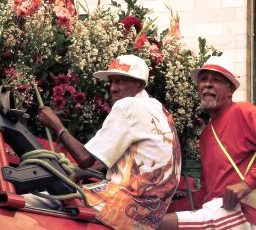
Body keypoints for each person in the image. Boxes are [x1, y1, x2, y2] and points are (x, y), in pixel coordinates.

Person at [38, 54, 181, 229]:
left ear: (140, 85)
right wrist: (79, 173)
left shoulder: (127, 105)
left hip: (122, 209)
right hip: (151, 217)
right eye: (111, 82)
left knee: (36, 198)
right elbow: (118, 160)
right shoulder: (160, 110)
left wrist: (55, 124)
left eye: (121, 81)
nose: (113, 88)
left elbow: (84, 159)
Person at [159, 56, 256, 230]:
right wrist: (166, 209)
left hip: (241, 213)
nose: (208, 84)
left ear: (230, 89)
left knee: (157, 225)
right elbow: (206, 192)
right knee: (156, 221)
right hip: (215, 211)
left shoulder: (242, 111)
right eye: (203, 80)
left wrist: (246, 184)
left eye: (216, 80)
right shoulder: (206, 135)